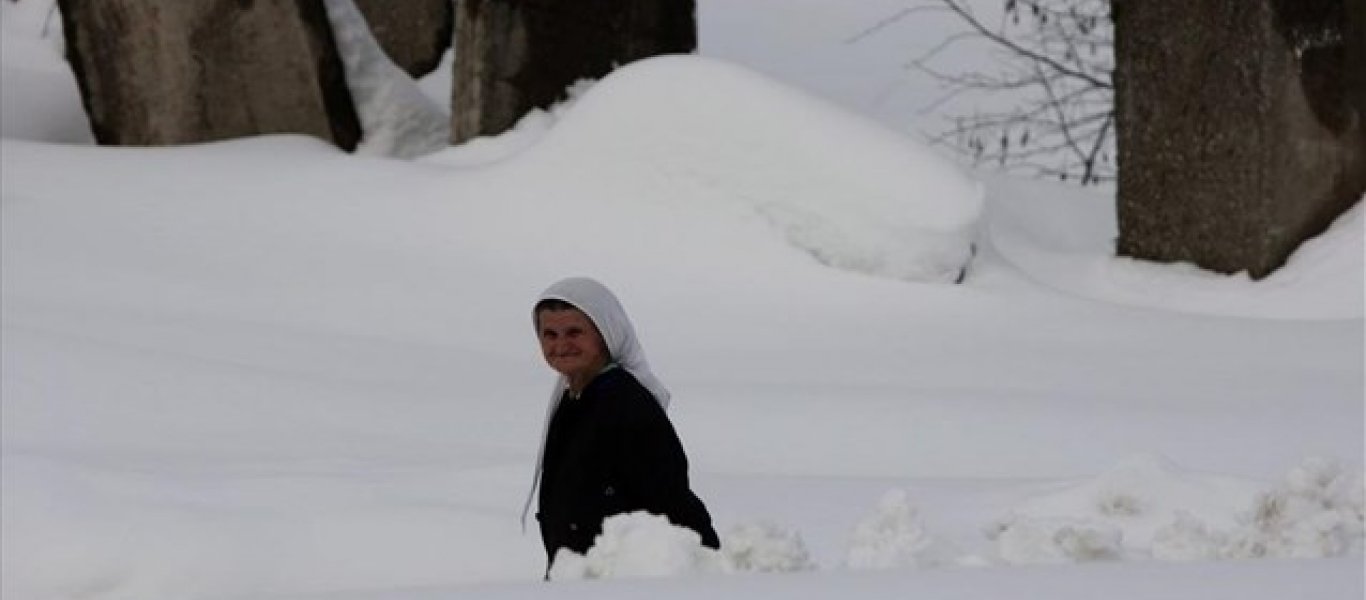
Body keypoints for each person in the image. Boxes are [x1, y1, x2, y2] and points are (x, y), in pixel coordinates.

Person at [521, 276, 719, 571]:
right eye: (550, 334)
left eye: (574, 332)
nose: (561, 345)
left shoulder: (624, 405)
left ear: (606, 334)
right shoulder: (574, 398)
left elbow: (665, 503)